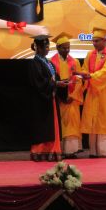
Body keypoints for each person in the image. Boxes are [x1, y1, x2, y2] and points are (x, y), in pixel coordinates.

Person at [78, 27, 106, 158]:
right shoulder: (89, 54)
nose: (94, 43)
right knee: (94, 120)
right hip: (92, 91)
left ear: (104, 40)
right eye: (93, 41)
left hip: (105, 93)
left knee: (105, 119)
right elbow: (85, 69)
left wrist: (91, 76)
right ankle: (94, 151)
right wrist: (83, 75)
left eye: (97, 41)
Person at [28, 34, 68, 162]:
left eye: (48, 46)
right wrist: (55, 84)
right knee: (42, 127)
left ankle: (52, 150)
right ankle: (39, 151)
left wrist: (62, 83)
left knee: (52, 127)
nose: (48, 49)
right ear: (38, 48)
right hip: (41, 100)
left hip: (51, 98)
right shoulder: (34, 63)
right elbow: (39, 82)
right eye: (45, 47)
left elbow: (54, 77)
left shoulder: (48, 62)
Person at [49, 32, 84, 159]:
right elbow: (51, 80)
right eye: (64, 48)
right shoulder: (51, 62)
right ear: (57, 48)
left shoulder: (75, 61)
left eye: (68, 47)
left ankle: (72, 150)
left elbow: (79, 80)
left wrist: (73, 96)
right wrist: (60, 96)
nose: (67, 50)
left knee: (72, 124)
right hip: (59, 99)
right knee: (61, 124)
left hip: (72, 98)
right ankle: (61, 150)